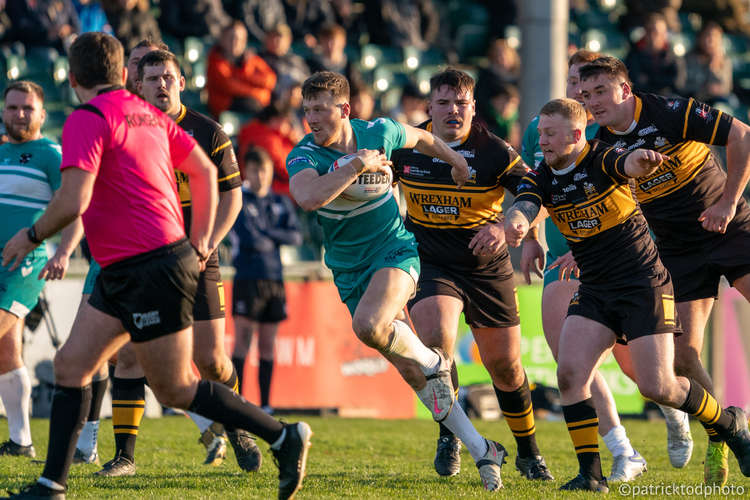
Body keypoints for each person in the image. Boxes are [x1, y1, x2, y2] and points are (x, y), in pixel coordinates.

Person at [1, 32, 311, 500]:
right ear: (124, 75)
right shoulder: (146, 114)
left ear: (73, 78)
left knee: (177, 387)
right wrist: (201, 238)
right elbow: (205, 174)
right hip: (126, 266)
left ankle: (283, 437)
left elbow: (74, 198)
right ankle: (51, 485)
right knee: (71, 366)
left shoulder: (87, 118)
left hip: (151, 266)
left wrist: (29, 237)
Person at [504, 97, 750, 492]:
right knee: (569, 374)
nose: (542, 142)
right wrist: (515, 225)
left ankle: (727, 422)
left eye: (549, 134)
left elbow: (626, 163)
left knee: (659, 387)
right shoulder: (542, 176)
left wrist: (641, 163)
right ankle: (591, 474)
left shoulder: (603, 157)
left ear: (576, 134)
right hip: (597, 287)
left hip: (642, 283)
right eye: (541, 134)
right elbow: (525, 204)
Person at [286, 70, 506, 491]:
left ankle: (433, 361)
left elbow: (422, 139)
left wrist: (457, 160)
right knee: (413, 374)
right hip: (349, 269)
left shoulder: (379, 131)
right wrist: (355, 165)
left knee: (369, 326)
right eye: (307, 108)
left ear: (345, 109)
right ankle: (482, 449)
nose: (311, 117)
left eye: (320, 109)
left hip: (395, 250)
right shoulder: (305, 156)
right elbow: (309, 197)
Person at [519, 49, 691, 481]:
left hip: (623, 258)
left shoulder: (611, 131)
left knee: (643, 373)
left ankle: (673, 410)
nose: (581, 90)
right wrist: (531, 238)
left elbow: (637, 190)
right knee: (570, 363)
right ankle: (619, 452)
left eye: (590, 83)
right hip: (566, 258)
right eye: (575, 80)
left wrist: (589, 243)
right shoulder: (542, 129)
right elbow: (534, 189)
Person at [579, 54, 750, 486]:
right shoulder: (598, 144)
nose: (593, 101)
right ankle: (725, 431)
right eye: (586, 94)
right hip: (677, 250)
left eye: (601, 91)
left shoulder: (670, 111)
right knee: (684, 355)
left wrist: (727, 201)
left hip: (729, 228)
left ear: (625, 90)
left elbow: (743, 136)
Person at [90, 48, 251, 477]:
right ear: (136, 85)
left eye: (169, 77)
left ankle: (239, 427)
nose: (161, 84)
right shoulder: (124, 129)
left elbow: (232, 196)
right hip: (141, 258)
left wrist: (206, 243)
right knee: (127, 356)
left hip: (196, 257)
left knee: (212, 360)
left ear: (182, 82)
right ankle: (124, 455)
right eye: (152, 78)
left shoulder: (208, 131)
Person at [390, 69, 553, 481]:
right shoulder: (407, 145)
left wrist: (512, 228)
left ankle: (529, 453)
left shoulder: (495, 151)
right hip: (430, 261)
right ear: (430, 107)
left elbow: (534, 193)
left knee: (506, 367)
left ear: (473, 108)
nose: (452, 111)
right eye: (443, 102)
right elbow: (376, 184)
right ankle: (451, 435)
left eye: (460, 103)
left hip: (487, 265)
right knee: (438, 342)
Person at [0, 81, 82, 459]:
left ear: (42, 114)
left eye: (27, 108)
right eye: (13, 107)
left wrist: (64, 251)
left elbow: (75, 206)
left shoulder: (51, 153)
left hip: (23, 265)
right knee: (6, 351)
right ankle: (21, 441)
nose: (19, 114)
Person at [230, 147, 302, 412]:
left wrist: (267, 232)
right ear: (246, 172)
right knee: (242, 341)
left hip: (275, 279)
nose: (260, 176)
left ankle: (266, 404)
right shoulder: (240, 201)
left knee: (267, 344)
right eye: (254, 170)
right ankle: (236, 400)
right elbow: (251, 240)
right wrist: (274, 235)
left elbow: (296, 236)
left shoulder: (281, 202)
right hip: (247, 277)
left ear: (271, 173)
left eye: (264, 170)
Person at [206, 20, 276, 118]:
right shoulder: (215, 59)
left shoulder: (250, 58)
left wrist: (244, 74)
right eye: (231, 38)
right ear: (222, 39)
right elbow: (229, 85)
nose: (235, 42)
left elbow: (270, 80)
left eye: (240, 39)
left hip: (250, 102)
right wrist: (258, 93)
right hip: (225, 108)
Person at [624, 12, 685, 96]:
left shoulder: (673, 56)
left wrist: (649, 79)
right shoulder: (633, 55)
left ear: (664, 34)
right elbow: (635, 83)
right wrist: (664, 80)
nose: (652, 36)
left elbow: (678, 84)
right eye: (649, 31)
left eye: (656, 32)